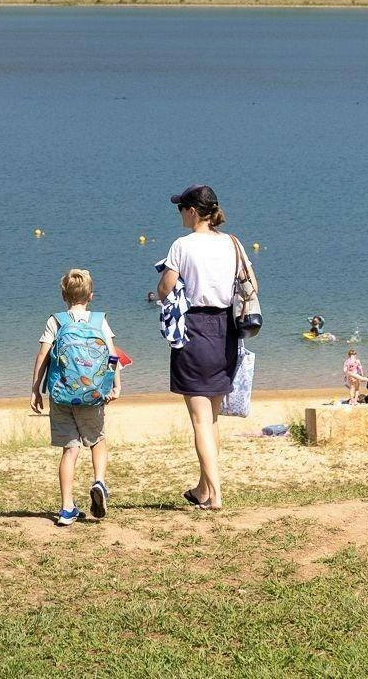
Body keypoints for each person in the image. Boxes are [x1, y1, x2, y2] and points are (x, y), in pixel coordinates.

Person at [157, 184, 251, 512]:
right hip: (226, 331)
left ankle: (216, 495)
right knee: (211, 419)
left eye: (180, 208)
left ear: (193, 212)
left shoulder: (182, 246)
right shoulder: (232, 243)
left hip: (194, 329)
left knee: (199, 420)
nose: (179, 214)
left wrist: (162, 293)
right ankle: (203, 489)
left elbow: (166, 288)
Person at [31, 268, 119, 526]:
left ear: (63, 295)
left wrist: (36, 389)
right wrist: (115, 385)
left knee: (70, 449)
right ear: (90, 295)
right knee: (97, 441)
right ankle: (99, 481)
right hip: (92, 393)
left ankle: (67, 507)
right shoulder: (99, 320)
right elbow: (112, 356)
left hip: (61, 394)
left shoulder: (56, 321)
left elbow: (42, 356)